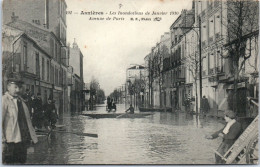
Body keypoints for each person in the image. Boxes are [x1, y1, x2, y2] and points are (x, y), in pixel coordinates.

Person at [2, 72, 38, 164]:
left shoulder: (21, 101)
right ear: (8, 87)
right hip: (10, 142)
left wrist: (32, 138)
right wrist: (2, 141)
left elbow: (27, 122)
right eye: (15, 87)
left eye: (19, 87)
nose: (18, 90)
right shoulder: (4, 100)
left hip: (22, 141)